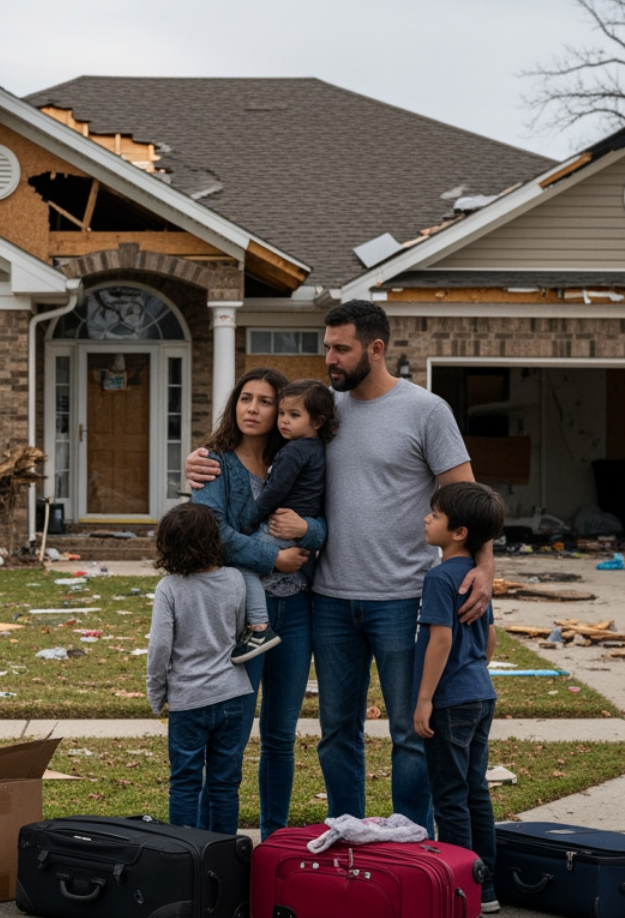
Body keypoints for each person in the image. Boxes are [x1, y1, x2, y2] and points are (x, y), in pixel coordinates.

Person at [186, 301, 492, 832]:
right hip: (327, 599)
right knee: (336, 733)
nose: (330, 357)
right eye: (327, 346)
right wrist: (198, 458)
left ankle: (408, 845)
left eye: (341, 348)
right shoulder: (324, 410)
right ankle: (349, 842)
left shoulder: (425, 410)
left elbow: (469, 501)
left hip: (403, 598)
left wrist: (484, 571)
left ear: (375, 348)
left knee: (408, 732)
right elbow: (258, 446)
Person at [191, 368, 327, 839]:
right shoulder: (215, 463)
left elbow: (328, 521)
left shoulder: (301, 457)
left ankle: (274, 842)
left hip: (296, 611)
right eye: (245, 398)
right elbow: (212, 531)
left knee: (280, 736)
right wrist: (274, 557)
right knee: (229, 733)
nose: (252, 408)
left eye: (265, 401)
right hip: (239, 615)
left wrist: (307, 531)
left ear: (284, 411)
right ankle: (212, 845)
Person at [414, 481, 506, 914]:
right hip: (481, 694)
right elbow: (490, 639)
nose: (427, 519)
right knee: (475, 791)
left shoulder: (440, 577)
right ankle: (486, 887)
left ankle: (460, 890)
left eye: (435, 515)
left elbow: (441, 640)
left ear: (459, 532)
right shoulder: (477, 578)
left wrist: (424, 699)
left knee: (450, 797)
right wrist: (474, 671)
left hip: (450, 701)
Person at [146, 503, 255, 835]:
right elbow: (239, 630)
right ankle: (223, 855)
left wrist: (156, 693)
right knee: (225, 785)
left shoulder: (169, 588)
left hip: (188, 700)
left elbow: (160, 648)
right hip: (232, 695)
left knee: (184, 783)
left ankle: (184, 854)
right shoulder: (235, 580)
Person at [231, 379, 338, 663]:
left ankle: (258, 627)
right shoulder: (319, 449)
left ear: (317, 421)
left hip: (280, 527)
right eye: (281, 413)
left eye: (294, 415)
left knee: (244, 564)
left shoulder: (293, 451)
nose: (284, 421)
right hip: (299, 528)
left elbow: (273, 493)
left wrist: (249, 523)